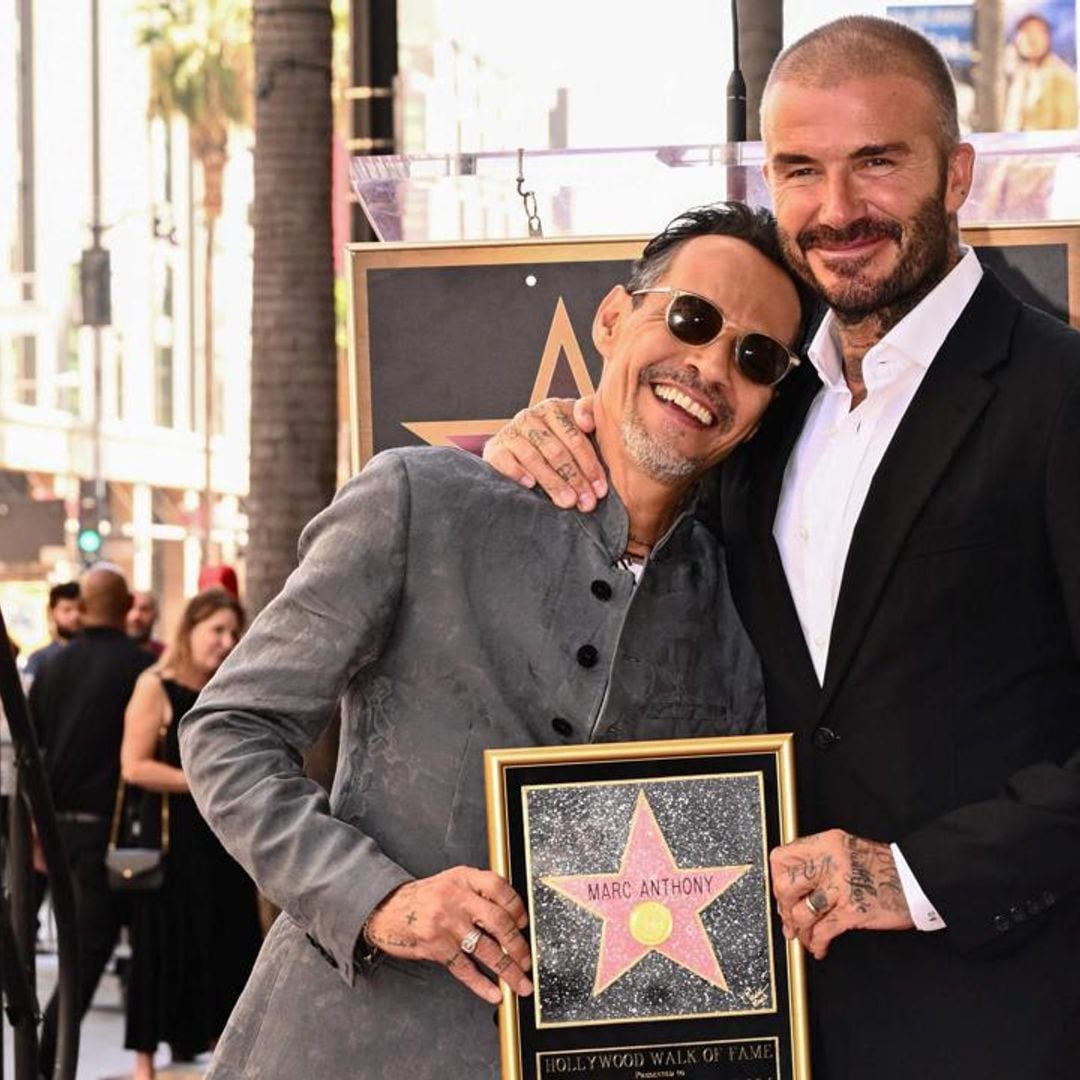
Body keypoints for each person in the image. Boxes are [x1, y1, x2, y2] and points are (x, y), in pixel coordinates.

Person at [485, 16, 1080, 1080]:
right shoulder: (764, 409)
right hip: (755, 1026)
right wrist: (551, 435)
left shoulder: (1059, 396)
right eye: (801, 170)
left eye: (876, 164)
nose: (837, 209)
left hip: (997, 1020)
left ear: (957, 176)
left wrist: (920, 876)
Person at [178, 202, 811, 1080]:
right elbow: (228, 730)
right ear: (612, 317)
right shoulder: (420, 500)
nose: (709, 366)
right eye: (692, 318)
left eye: (754, 357)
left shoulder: (745, 604)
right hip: (340, 1049)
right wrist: (378, 901)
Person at [120, 588, 261, 1080]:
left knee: (228, 945)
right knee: (162, 950)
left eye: (233, 632)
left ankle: (223, 1056)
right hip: (171, 845)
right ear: (190, 630)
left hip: (224, 842)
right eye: (217, 630)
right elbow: (134, 766)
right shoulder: (155, 685)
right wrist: (199, 784)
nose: (226, 641)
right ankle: (144, 1065)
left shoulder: (232, 689)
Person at [28, 566, 156, 1078]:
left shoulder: (53, 668)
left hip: (62, 826)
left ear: (81, 606)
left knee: (84, 945)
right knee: (116, 945)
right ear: (127, 606)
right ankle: (48, 1059)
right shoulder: (141, 669)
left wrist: (36, 829)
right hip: (120, 828)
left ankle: (48, 1057)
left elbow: (31, 756)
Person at [1002, 12, 1078, 132]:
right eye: (1025, 32)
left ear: (1048, 38)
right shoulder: (1021, 75)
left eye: (1038, 32)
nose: (1031, 39)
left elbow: (1067, 130)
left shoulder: (1062, 77)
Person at [23, 580, 81, 680]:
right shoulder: (39, 660)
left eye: (81, 609)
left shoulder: (99, 654)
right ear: (51, 612)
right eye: (67, 610)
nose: (75, 616)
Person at [127, 589, 166, 657]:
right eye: (130, 608)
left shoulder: (165, 655)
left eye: (144, 609)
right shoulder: (110, 654)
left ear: (156, 615)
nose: (136, 616)